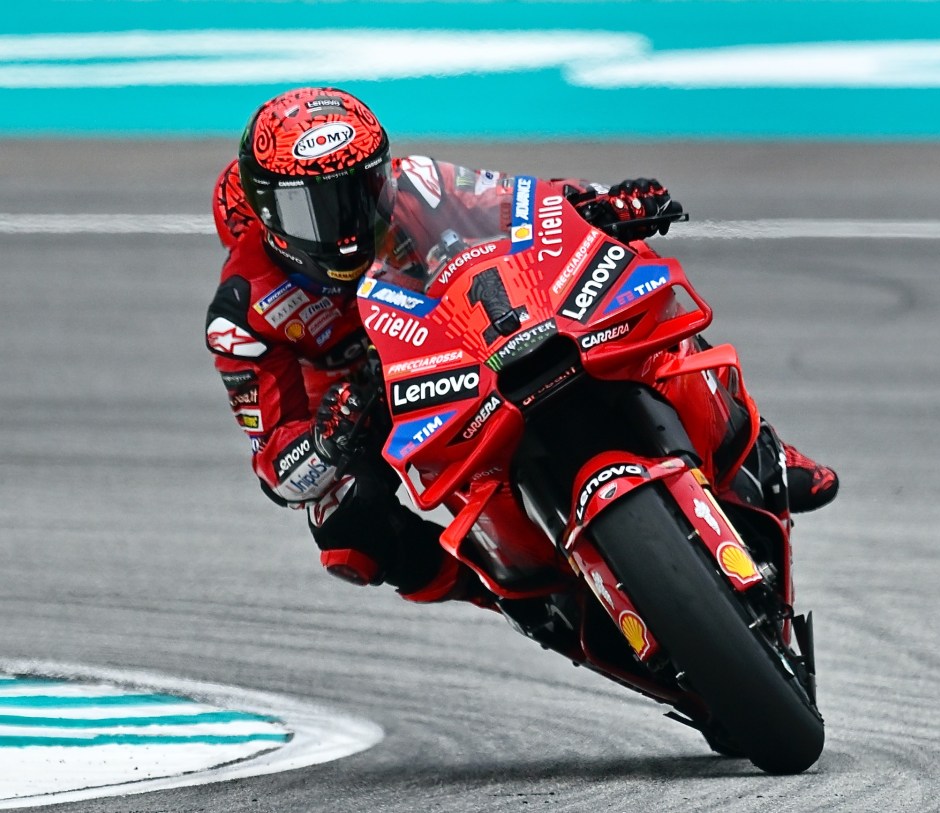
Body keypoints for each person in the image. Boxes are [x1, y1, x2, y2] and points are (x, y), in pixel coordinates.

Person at [205, 86, 838, 605]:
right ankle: (499, 590)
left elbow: (521, 202)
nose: (346, 224)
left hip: (461, 334)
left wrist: (602, 204)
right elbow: (277, 467)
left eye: (359, 191)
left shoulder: (417, 183)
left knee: (630, 269)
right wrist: (328, 438)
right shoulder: (243, 313)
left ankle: (760, 450)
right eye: (315, 210)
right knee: (343, 523)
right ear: (269, 218)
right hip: (368, 407)